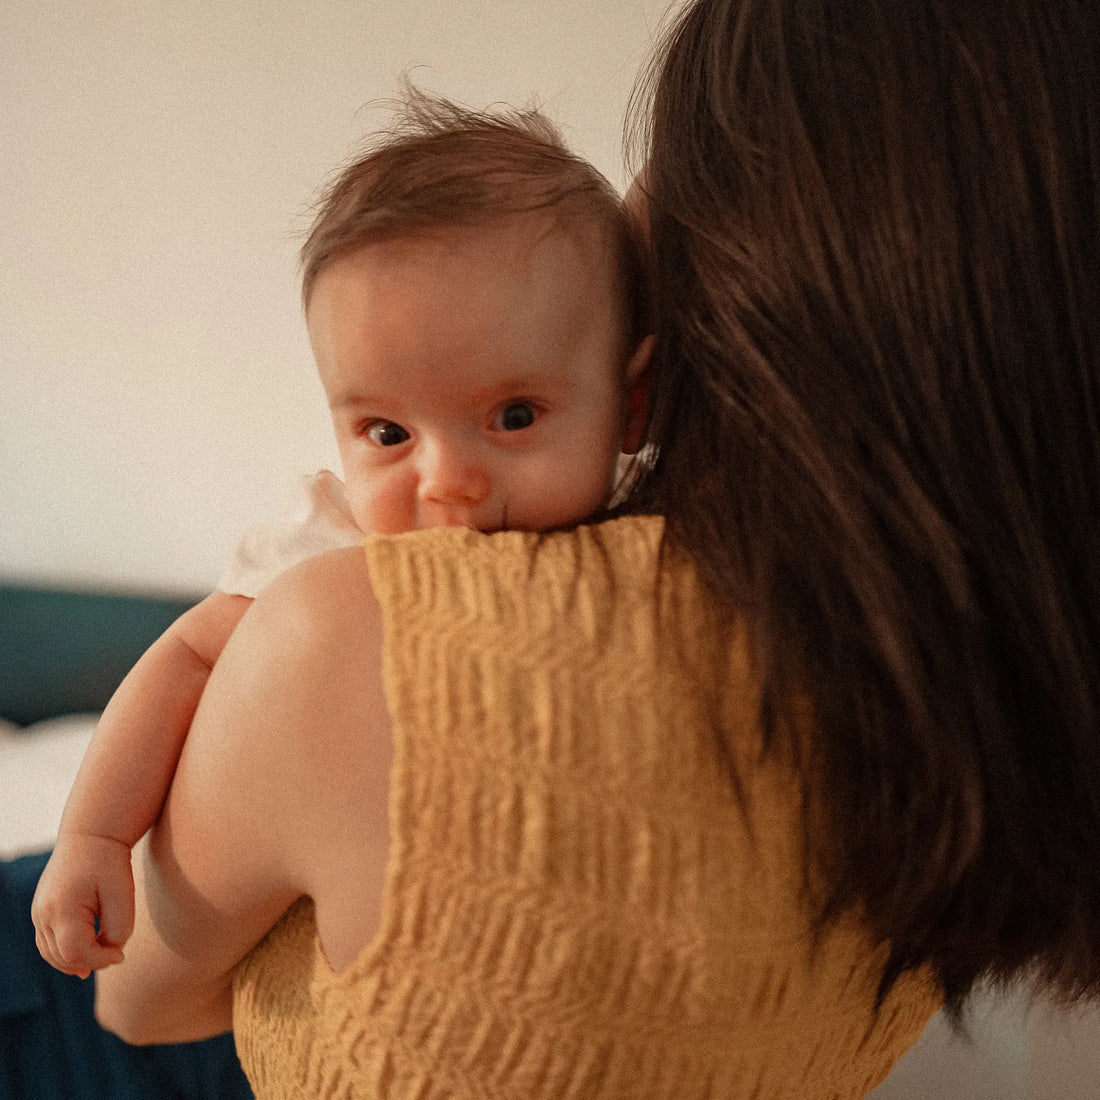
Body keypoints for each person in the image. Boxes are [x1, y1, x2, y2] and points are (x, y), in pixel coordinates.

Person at [96, 0, 1100, 1095]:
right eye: (386, 431)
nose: (633, 205)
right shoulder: (999, 707)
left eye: (664, 164)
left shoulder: (364, 636)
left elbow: (133, 997)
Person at [31, 93, 651, 980]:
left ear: (629, 402)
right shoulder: (332, 544)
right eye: (388, 434)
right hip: (144, 922)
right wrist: (92, 834)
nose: (443, 481)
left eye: (513, 416)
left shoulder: (647, 541)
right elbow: (186, 659)